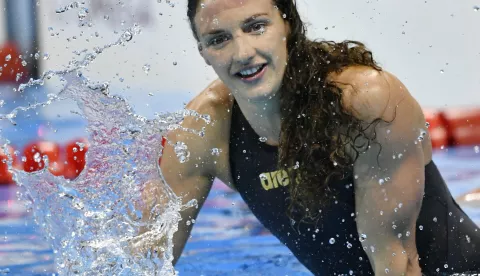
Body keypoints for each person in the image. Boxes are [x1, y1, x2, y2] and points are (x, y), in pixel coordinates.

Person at [154, 0, 480, 274]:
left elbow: (399, 260)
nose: (242, 52)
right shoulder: (199, 133)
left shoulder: (363, 100)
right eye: (219, 39)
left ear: (288, 25)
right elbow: (146, 260)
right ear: (203, 52)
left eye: (256, 27)